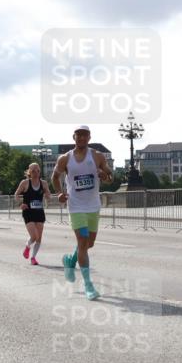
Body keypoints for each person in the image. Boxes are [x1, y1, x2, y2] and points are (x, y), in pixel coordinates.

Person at [51, 125, 113, 300]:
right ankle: (88, 285)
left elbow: (111, 176)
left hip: (93, 206)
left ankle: (70, 260)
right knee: (83, 240)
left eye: (85, 135)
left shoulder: (97, 156)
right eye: (79, 135)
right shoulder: (65, 158)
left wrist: (105, 176)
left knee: (89, 244)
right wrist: (59, 193)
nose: (82, 138)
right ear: (74, 137)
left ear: (89, 138)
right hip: (76, 206)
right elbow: (54, 177)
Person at [14, 162, 52, 265]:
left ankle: (33, 258)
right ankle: (27, 246)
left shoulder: (44, 183)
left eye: (38, 171)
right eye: (33, 171)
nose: (36, 173)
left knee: (39, 238)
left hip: (39, 212)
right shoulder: (25, 183)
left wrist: (48, 196)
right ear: (29, 172)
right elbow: (16, 194)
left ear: (40, 171)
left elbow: (48, 194)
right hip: (28, 212)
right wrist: (20, 204)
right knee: (34, 236)